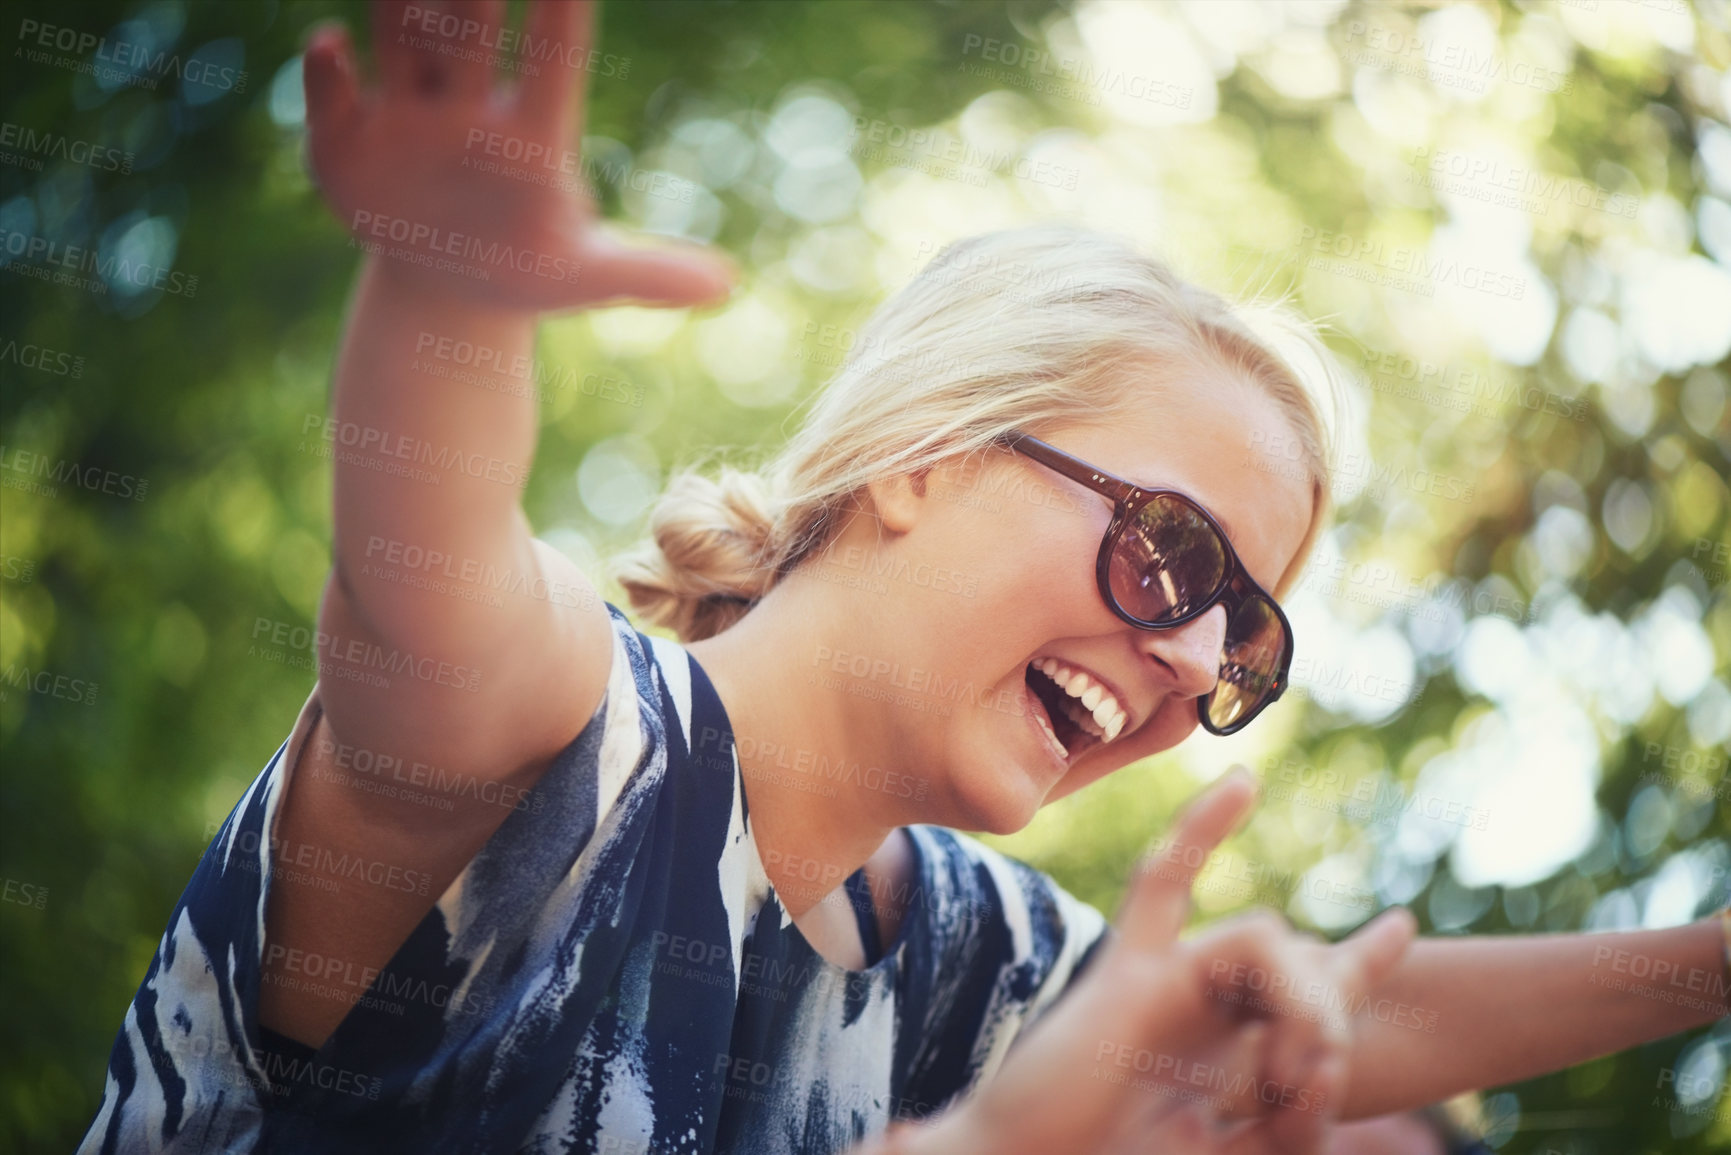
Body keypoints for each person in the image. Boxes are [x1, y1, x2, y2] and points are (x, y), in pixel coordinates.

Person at [78, 2, 1730, 1153]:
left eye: (1246, 641)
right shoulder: (578, 732)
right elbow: (415, 571)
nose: (1192, 664)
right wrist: (444, 299)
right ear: (924, 457)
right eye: (1174, 552)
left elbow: (1335, 1032)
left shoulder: (969, 958)